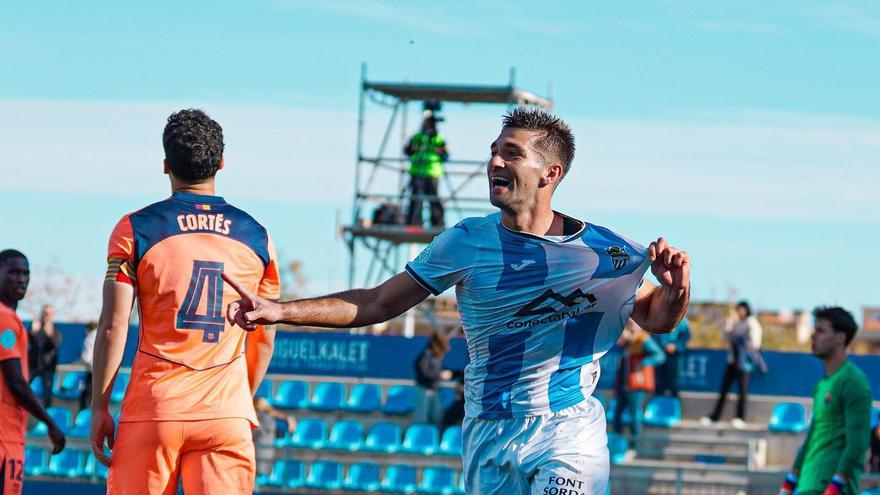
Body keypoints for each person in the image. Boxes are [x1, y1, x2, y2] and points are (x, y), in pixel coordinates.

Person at [223, 107, 691, 495]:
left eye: (511, 153)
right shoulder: (465, 242)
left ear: (551, 173)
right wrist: (282, 310)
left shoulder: (608, 253)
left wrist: (675, 292)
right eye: (493, 152)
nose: (493, 163)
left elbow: (655, 319)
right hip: (488, 428)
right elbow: (379, 303)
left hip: (566, 428)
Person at [89, 109, 281, 495]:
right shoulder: (258, 236)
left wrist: (99, 406)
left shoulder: (136, 228)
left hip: (154, 409)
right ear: (222, 163)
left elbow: (113, 326)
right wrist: (237, 400)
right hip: (225, 413)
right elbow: (266, 333)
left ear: (165, 165)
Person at [778, 307, 872, 495]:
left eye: (821, 331)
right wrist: (790, 481)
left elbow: (858, 444)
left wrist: (835, 486)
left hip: (832, 489)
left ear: (840, 337)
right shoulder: (822, 385)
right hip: (807, 485)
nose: (814, 336)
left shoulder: (854, 382)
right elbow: (812, 436)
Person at [0, 250, 66, 495]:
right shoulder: (5, 320)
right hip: (4, 438)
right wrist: (50, 423)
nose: (21, 279)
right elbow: (15, 381)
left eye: (26, 273)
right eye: (13, 272)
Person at [701, 300, 763, 430]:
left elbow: (755, 344)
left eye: (741, 309)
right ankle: (715, 416)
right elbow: (726, 339)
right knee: (724, 390)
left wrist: (742, 343)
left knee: (742, 391)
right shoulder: (735, 323)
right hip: (732, 361)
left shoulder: (751, 323)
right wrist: (728, 326)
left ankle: (740, 418)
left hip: (744, 363)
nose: (739, 312)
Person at [613, 321, 665, 452]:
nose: (630, 328)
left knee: (634, 415)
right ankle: (617, 445)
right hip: (624, 385)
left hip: (636, 385)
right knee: (617, 416)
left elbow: (660, 355)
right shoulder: (626, 342)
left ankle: (634, 447)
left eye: (631, 325)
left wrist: (643, 362)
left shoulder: (643, 339)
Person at [404, 105, 449, 228]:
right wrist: (414, 148)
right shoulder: (417, 137)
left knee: (433, 199)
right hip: (417, 171)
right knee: (415, 198)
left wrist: (438, 150)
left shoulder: (438, 139)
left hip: (432, 172)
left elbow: (446, 156)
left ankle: (437, 223)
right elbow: (407, 150)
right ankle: (413, 222)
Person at [413, 331, 453, 425]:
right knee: (422, 417)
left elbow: (435, 370)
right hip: (424, 389)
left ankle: (434, 436)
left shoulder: (436, 356)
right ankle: (420, 437)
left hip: (434, 390)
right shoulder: (427, 354)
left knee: (437, 416)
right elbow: (423, 372)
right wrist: (439, 375)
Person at [252, 397, 296, 479]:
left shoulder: (259, 418)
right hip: (266, 453)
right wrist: (288, 418)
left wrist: (287, 418)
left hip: (259, 453)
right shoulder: (270, 419)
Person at [28, 304, 62, 407]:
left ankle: (46, 417)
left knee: (47, 395)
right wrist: (33, 332)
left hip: (48, 368)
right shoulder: (36, 328)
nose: (45, 316)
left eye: (48, 314)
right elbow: (29, 342)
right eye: (44, 313)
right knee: (23, 388)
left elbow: (56, 344)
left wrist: (49, 332)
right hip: (33, 366)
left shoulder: (55, 331)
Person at [652, 317, 690, 397]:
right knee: (658, 382)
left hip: (674, 355)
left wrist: (675, 346)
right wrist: (662, 347)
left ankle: (673, 404)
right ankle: (658, 402)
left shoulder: (681, 320)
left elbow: (685, 336)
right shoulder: (657, 317)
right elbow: (653, 336)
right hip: (659, 354)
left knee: (673, 382)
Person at [79, 321, 97, 412]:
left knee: (86, 398)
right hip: (101, 373)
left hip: (91, 372)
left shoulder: (89, 339)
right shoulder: (103, 336)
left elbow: (86, 358)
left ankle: (85, 418)